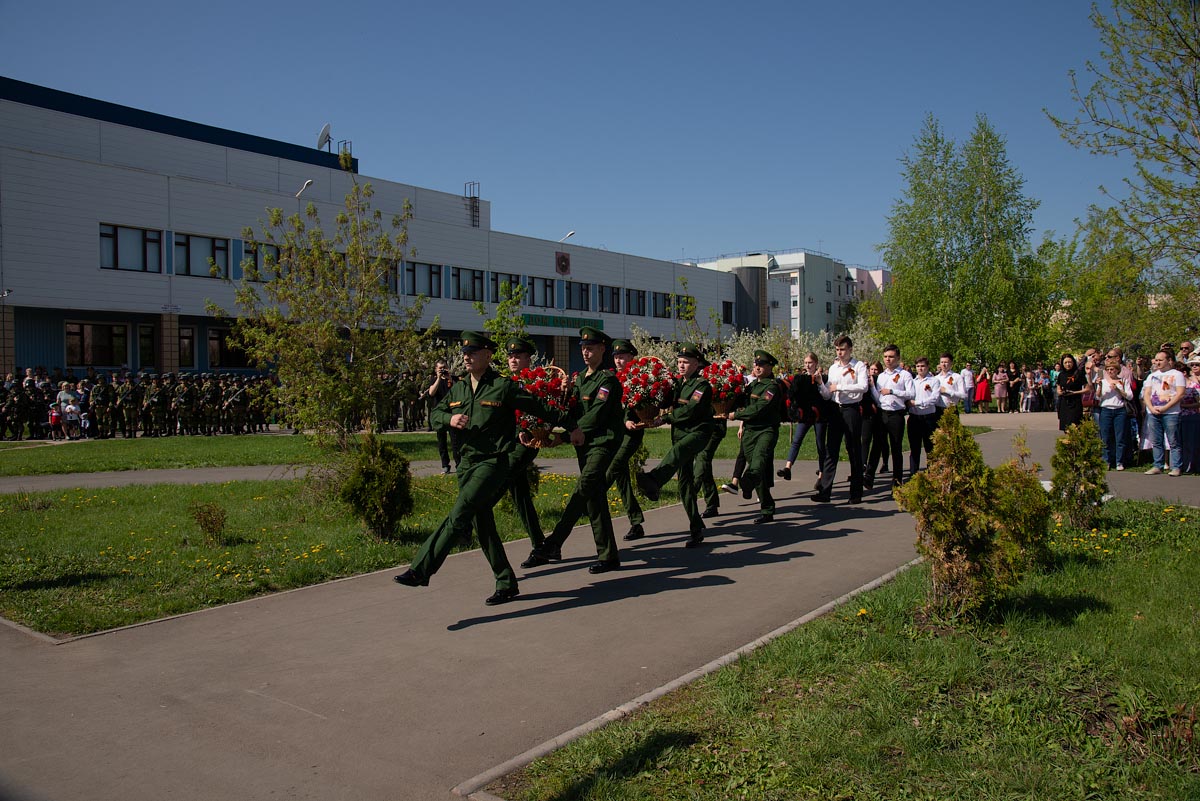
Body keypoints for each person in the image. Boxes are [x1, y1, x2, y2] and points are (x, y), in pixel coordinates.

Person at [394, 331, 564, 606]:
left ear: (488, 354)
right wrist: (450, 418)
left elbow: (541, 407)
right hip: (466, 464)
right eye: (465, 353)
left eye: (473, 352)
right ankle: (506, 582)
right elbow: (435, 414)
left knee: (459, 512)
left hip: (492, 462)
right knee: (482, 524)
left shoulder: (502, 386)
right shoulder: (459, 388)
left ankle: (420, 570)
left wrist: (573, 427)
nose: (467, 356)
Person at [525, 327, 624, 573]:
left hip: (602, 443)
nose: (586, 352)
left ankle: (553, 542)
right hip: (584, 446)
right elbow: (572, 412)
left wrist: (564, 437)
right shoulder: (580, 379)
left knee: (583, 488)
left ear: (603, 349)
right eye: (583, 347)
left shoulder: (607, 380)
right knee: (594, 497)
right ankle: (608, 555)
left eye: (590, 348)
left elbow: (594, 417)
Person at [636, 342, 714, 547]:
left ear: (697, 364)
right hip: (680, 434)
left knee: (678, 451)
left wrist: (666, 418)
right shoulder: (678, 384)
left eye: (685, 362)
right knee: (685, 484)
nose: (681, 365)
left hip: (698, 433)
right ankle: (696, 528)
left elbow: (691, 411)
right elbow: (664, 400)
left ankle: (654, 480)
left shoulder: (702, 386)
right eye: (679, 362)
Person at [502, 338, 554, 562]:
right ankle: (541, 545)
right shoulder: (505, 382)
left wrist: (529, 429)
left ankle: (465, 523)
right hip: (509, 442)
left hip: (526, 444)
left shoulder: (537, 382)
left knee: (497, 481)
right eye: (511, 356)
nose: (513, 359)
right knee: (519, 494)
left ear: (528, 359)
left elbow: (547, 410)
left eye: (518, 356)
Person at [724, 349, 785, 523]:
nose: (757, 367)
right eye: (756, 364)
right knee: (758, 472)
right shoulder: (752, 385)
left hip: (766, 430)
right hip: (750, 432)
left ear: (770, 367)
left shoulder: (772, 387)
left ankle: (747, 484)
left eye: (761, 365)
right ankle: (767, 508)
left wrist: (735, 415)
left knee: (757, 462)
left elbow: (759, 408)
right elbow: (741, 401)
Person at [813, 335, 868, 504]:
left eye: (843, 349)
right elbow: (828, 393)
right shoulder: (834, 368)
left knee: (853, 449)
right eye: (837, 349)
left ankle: (856, 492)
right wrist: (821, 384)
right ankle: (825, 491)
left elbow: (863, 387)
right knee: (831, 450)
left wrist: (840, 387)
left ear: (850, 349)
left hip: (851, 409)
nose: (840, 353)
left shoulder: (858, 366)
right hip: (836, 410)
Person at [608, 340, 648, 541]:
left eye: (622, 356)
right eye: (616, 357)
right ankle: (636, 522)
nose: (618, 360)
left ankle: (588, 500)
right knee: (621, 476)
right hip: (614, 435)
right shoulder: (611, 377)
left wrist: (631, 419)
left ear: (632, 357)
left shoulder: (640, 377)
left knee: (613, 468)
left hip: (631, 433)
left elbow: (645, 402)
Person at [777, 352, 826, 488]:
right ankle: (788, 468)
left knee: (820, 444)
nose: (807, 365)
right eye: (805, 363)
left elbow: (825, 395)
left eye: (810, 363)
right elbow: (794, 394)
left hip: (819, 414)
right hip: (806, 414)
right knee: (797, 440)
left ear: (816, 363)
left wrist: (819, 382)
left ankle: (822, 475)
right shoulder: (801, 378)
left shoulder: (821, 378)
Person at [867, 344, 913, 488]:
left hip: (896, 414)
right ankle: (869, 475)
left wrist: (893, 391)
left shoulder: (905, 375)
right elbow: (879, 396)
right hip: (882, 413)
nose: (888, 360)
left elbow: (911, 394)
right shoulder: (881, 376)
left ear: (898, 358)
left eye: (891, 357)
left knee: (896, 447)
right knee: (877, 445)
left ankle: (897, 479)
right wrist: (872, 387)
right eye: (886, 357)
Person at [1142, 349, 1186, 476]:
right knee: (1156, 440)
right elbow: (1147, 393)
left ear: (1169, 361)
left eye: (1161, 360)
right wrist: (1150, 407)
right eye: (1156, 360)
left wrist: (1165, 407)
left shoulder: (1177, 374)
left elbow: (1180, 393)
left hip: (1171, 413)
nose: (1157, 362)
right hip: (1154, 412)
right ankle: (1158, 465)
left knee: (1173, 440)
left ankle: (1176, 467)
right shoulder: (1152, 375)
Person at [1095, 357, 1134, 470]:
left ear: (1117, 370)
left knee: (1120, 437)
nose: (1110, 371)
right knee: (1106, 436)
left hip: (1119, 410)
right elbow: (1098, 396)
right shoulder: (1103, 381)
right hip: (1106, 410)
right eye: (1108, 369)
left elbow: (1129, 396)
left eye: (1113, 369)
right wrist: (1100, 386)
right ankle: (1106, 460)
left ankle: (1119, 461)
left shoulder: (1123, 381)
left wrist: (1118, 389)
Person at [907, 357, 939, 475]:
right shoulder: (913, 381)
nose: (920, 368)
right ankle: (913, 474)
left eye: (922, 366)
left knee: (930, 447)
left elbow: (934, 399)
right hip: (915, 417)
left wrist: (917, 403)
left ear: (928, 367)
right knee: (914, 448)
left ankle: (932, 473)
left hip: (928, 417)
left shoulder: (934, 381)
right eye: (918, 366)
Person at [427, 359, 460, 473]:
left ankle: (458, 464)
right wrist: (438, 378)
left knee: (455, 441)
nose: (442, 370)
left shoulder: (454, 379)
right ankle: (445, 465)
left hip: (452, 413)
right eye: (440, 368)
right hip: (440, 414)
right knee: (442, 442)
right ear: (436, 369)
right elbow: (431, 393)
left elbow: (459, 390)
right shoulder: (434, 380)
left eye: (444, 367)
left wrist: (449, 378)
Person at [1056, 354, 1087, 431]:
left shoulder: (1078, 373)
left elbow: (1088, 389)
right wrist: (1061, 392)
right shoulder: (1061, 374)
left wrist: (1074, 392)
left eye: (1069, 362)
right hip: (1064, 403)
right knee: (1066, 427)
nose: (1068, 364)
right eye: (1065, 363)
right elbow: (1058, 388)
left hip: (1075, 402)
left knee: (1074, 426)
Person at [1180, 355, 1200, 473]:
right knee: (1186, 442)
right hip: (1183, 415)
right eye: (1192, 365)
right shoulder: (1188, 381)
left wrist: (1185, 406)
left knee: (1194, 442)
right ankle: (1187, 466)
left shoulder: (1194, 384)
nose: (1194, 367)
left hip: (1193, 413)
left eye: (1197, 365)